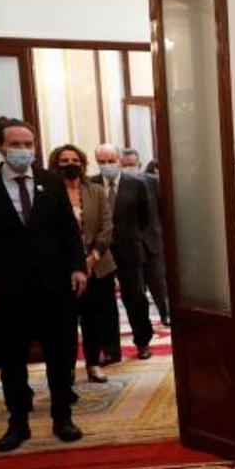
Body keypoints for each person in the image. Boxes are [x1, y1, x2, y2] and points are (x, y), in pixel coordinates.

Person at [0, 118, 87, 451]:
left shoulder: (50, 182)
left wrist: (78, 268)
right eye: (16, 144)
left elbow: (68, 230)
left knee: (60, 355)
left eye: (28, 144)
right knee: (12, 359)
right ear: (0, 146)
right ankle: (18, 423)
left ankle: (62, 417)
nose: (23, 150)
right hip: (7, 288)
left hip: (54, 286)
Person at [49, 145, 116, 384]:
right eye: (64, 160)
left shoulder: (95, 190)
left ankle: (93, 364)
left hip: (98, 265)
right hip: (63, 268)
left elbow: (107, 227)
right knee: (65, 322)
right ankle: (66, 367)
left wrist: (92, 257)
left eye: (75, 160)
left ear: (83, 163)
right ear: (56, 164)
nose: (71, 164)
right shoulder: (48, 192)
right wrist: (73, 263)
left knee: (93, 318)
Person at [93, 144, 155, 360]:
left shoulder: (136, 184)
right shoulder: (91, 184)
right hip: (101, 252)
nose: (107, 165)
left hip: (130, 250)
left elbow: (145, 217)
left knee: (136, 298)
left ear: (118, 160)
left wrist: (132, 237)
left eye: (110, 160)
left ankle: (143, 342)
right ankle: (110, 349)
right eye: (102, 162)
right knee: (104, 301)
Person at [121, 148, 169, 326]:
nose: (129, 168)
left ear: (139, 164)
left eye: (132, 164)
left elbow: (164, 211)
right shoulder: (116, 185)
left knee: (159, 284)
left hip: (152, 243)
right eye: (125, 165)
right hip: (128, 246)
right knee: (135, 291)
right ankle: (142, 325)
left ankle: (166, 314)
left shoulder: (153, 182)